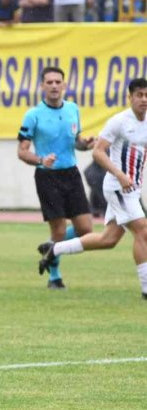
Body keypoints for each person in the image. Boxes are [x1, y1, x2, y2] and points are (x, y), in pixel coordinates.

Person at [37, 78, 147, 300]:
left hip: (132, 188)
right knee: (143, 231)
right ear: (130, 97)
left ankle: (54, 250)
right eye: (139, 95)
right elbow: (98, 152)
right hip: (118, 187)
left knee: (108, 240)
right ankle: (146, 289)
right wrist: (120, 175)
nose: (144, 99)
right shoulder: (119, 121)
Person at [17, 66, 95, 290]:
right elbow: (22, 151)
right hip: (47, 177)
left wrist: (85, 144)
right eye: (49, 82)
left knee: (85, 230)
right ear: (42, 86)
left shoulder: (72, 109)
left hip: (71, 174)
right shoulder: (33, 115)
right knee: (59, 230)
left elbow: (76, 141)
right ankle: (55, 277)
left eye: (57, 82)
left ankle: (49, 247)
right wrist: (41, 160)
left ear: (64, 85)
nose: (53, 86)